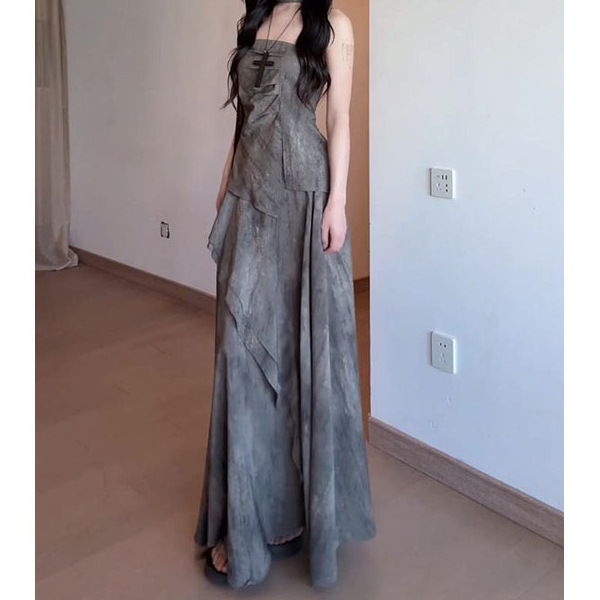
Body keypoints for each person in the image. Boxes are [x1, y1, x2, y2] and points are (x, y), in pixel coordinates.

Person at [194, 0, 376, 589]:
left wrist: (337, 203)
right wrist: (225, 188)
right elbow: (244, 120)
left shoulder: (333, 24)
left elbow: (339, 117)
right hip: (249, 196)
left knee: (302, 358)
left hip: (304, 199)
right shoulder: (255, 18)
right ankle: (245, 523)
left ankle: (294, 517)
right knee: (238, 354)